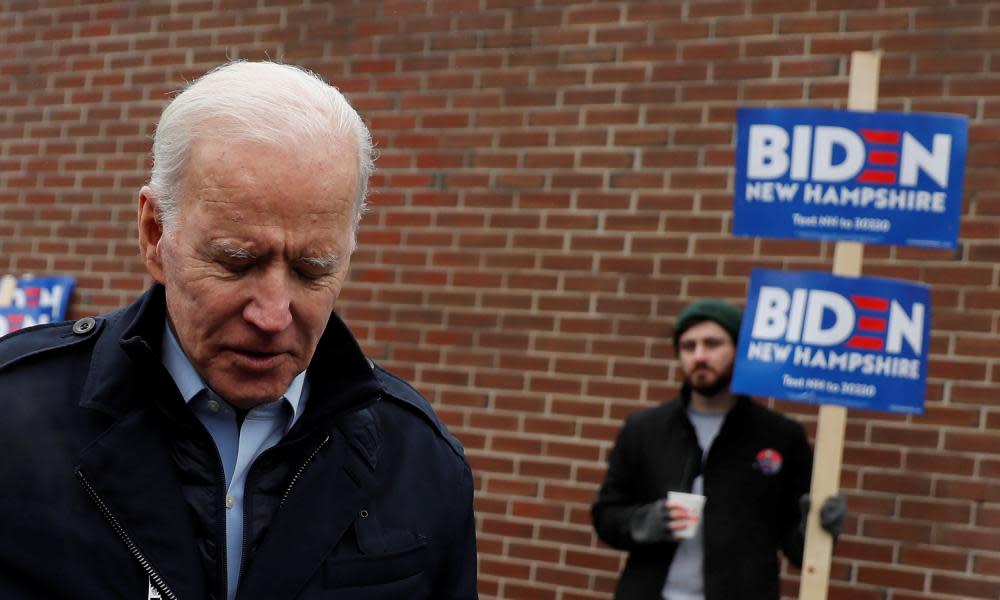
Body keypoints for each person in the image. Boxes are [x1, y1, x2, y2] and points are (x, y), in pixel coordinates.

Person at [0, 61, 478, 600]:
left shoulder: (421, 461)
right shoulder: (14, 421)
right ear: (155, 233)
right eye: (236, 262)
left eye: (313, 269)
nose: (273, 315)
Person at [592, 299, 845, 600]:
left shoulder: (780, 436)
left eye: (712, 344)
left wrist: (817, 528)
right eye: (688, 346)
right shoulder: (644, 429)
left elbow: (797, 548)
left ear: (739, 350)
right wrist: (644, 522)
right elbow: (606, 515)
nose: (699, 356)